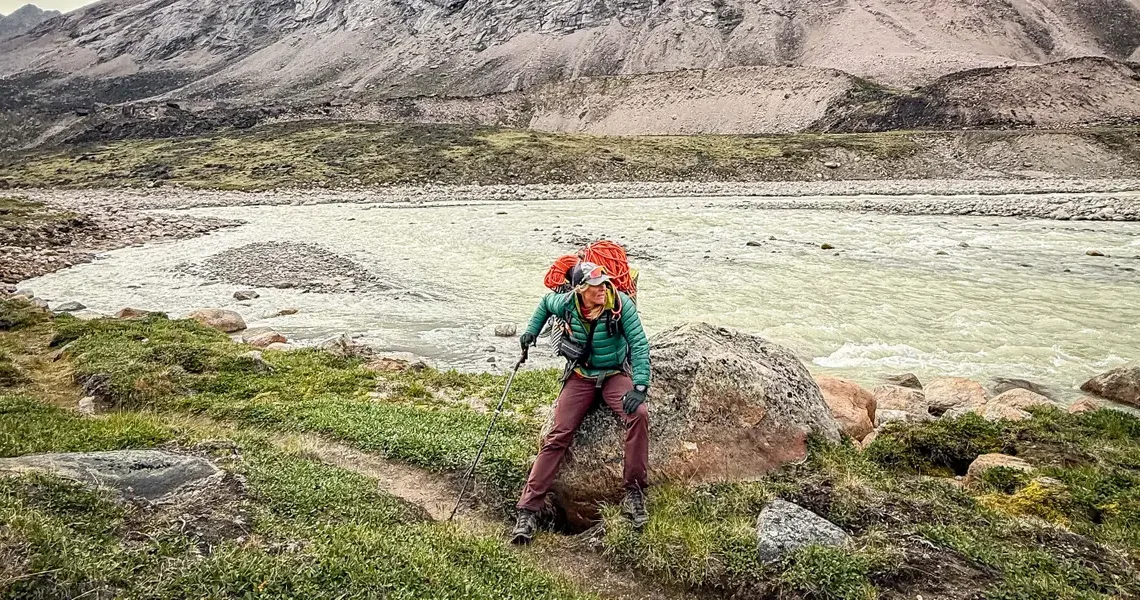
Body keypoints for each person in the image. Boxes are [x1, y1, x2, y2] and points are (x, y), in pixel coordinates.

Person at [510, 261, 651, 544]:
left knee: (639, 414)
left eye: (605, 284)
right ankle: (527, 511)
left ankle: (634, 494)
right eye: (596, 286)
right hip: (581, 375)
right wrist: (531, 332)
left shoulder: (620, 304)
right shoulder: (567, 303)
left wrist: (639, 386)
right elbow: (545, 303)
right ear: (581, 289)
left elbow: (639, 344)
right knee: (558, 436)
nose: (603, 289)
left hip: (613, 374)